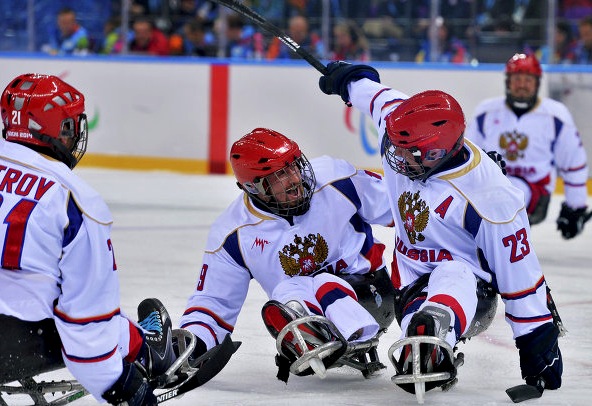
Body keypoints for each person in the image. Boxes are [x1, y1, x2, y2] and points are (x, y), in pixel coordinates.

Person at [318, 61, 563, 400]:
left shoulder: (490, 198)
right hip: (408, 281)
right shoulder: (403, 128)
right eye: (396, 145)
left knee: (454, 272)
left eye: (409, 152)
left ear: (437, 151)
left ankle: (439, 334)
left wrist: (538, 345)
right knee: (417, 334)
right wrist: (351, 80)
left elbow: (520, 277)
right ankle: (426, 336)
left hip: (473, 293)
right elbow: (377, 97)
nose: (397, 156)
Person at [0, 73, 178, 405]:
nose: (73, 135)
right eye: (68, 127)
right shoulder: (76, 200)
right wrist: (122, 388)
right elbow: (88, 326)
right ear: (50, 131)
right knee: (91, 310)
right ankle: (149, 348)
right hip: (20, 342)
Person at [179, 127, 396, 381]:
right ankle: (307, 331)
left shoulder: (335, 179)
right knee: (285, 294)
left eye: (294, 166)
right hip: (306, 306)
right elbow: (213, 305)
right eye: (279, 176)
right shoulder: (233, 234)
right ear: (254, 187)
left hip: (372, 296)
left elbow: (403, 213)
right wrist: (190, 346)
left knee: (315, 283)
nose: (294, 179)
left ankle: (316, 331)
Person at [465, 53, 589, 238]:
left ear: (537, 83)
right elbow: (468, 158)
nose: (522, 85)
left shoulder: (555, 115)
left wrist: (575, 207)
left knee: (506, 201)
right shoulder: (487, 112)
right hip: (491, 186)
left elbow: (573, 162)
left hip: (535, 190)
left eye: (528, 80)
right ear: (508, 82)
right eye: (517, 79)